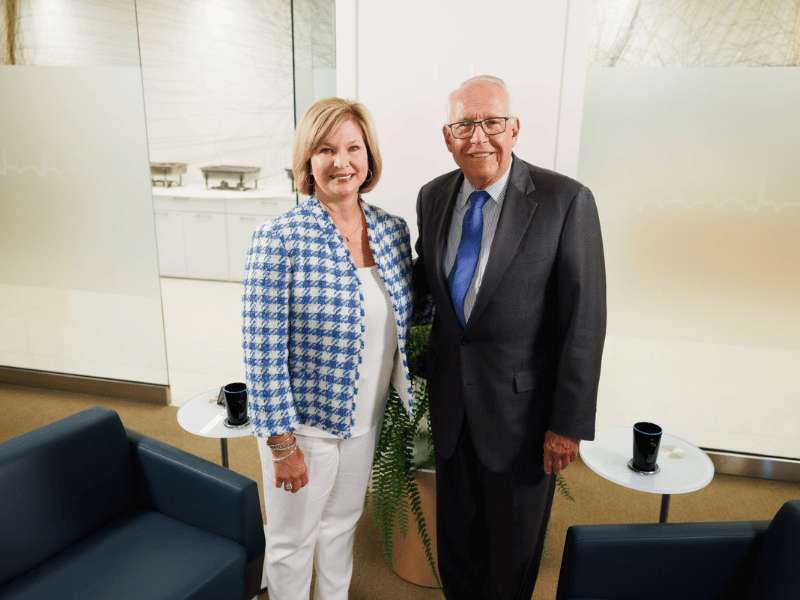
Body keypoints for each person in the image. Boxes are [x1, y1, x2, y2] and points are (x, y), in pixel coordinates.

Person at [412, 75, 606, 600]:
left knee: (512, 554)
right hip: (452, 407)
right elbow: (424, 286)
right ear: (447, 136)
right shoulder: (432, 197)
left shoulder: (565, 200)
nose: (479, 137)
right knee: (457, 544)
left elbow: (584, 321)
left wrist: (567, 424)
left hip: (523, 419)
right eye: (464, 125)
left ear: (514, 128)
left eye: (492, 122)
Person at [242, 97, 414, 600]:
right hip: (303, 429)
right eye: (326, 149)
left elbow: (412, 314)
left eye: (353, 147)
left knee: (340, 531)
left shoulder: (392, 231)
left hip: (364, 425)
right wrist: (281, 442)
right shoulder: (279, 238)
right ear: (307, 161)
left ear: (369, 155)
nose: (342, 162)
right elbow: (261, 351)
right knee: (293, 543)